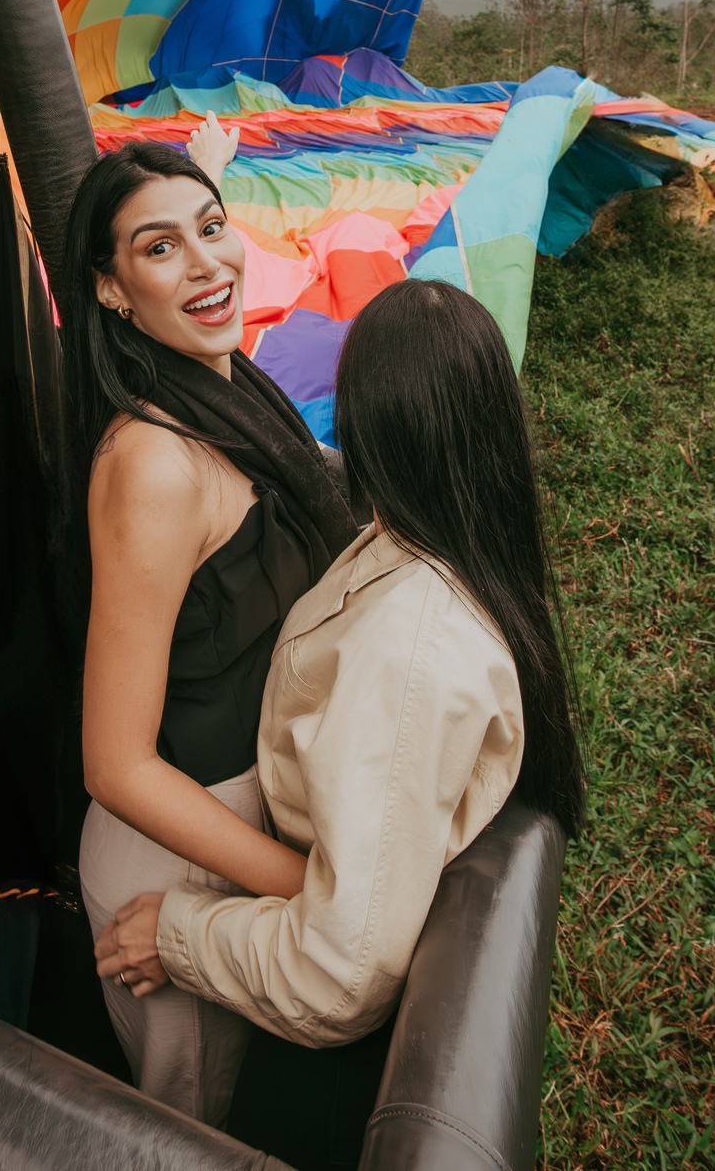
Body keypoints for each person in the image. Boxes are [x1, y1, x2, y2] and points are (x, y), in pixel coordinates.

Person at [94, 277, 585, 1065]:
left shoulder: (407, 657)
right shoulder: (441, 536)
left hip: (208, 910)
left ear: (363, 426)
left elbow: (338, 970)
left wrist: (180, 933)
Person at [61, 128, 355, 1128]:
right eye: (159, 248)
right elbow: (115, 762)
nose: (207, 264)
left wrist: (198, 183)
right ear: (109, 290)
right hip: (182, 862)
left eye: (214, 231)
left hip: (250, 825)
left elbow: (195, 255)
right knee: (196, 1131)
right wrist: (306, 886)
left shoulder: (229, 391)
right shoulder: (154, 463)